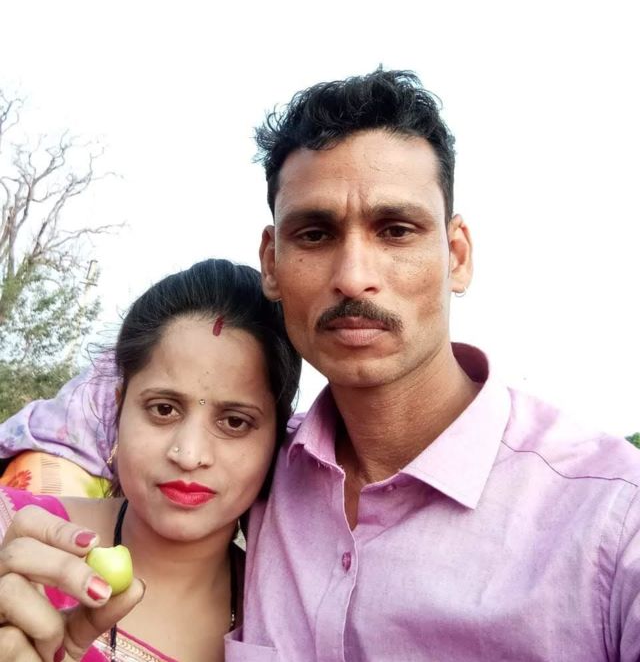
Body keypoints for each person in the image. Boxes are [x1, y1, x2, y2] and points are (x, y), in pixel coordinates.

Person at [2, 69, 640, 660]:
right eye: (315, 233)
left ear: (457, 255)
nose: (354, 277)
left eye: (396, 230)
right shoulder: (268, 474)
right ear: (272, 262)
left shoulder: (609, 522)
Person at [0, 258, 300, 662]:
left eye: (234, 421)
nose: (189, 455)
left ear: (277, 438)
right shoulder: (13, 539)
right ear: (120, 408)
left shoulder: (286, 626)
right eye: (163, 409)